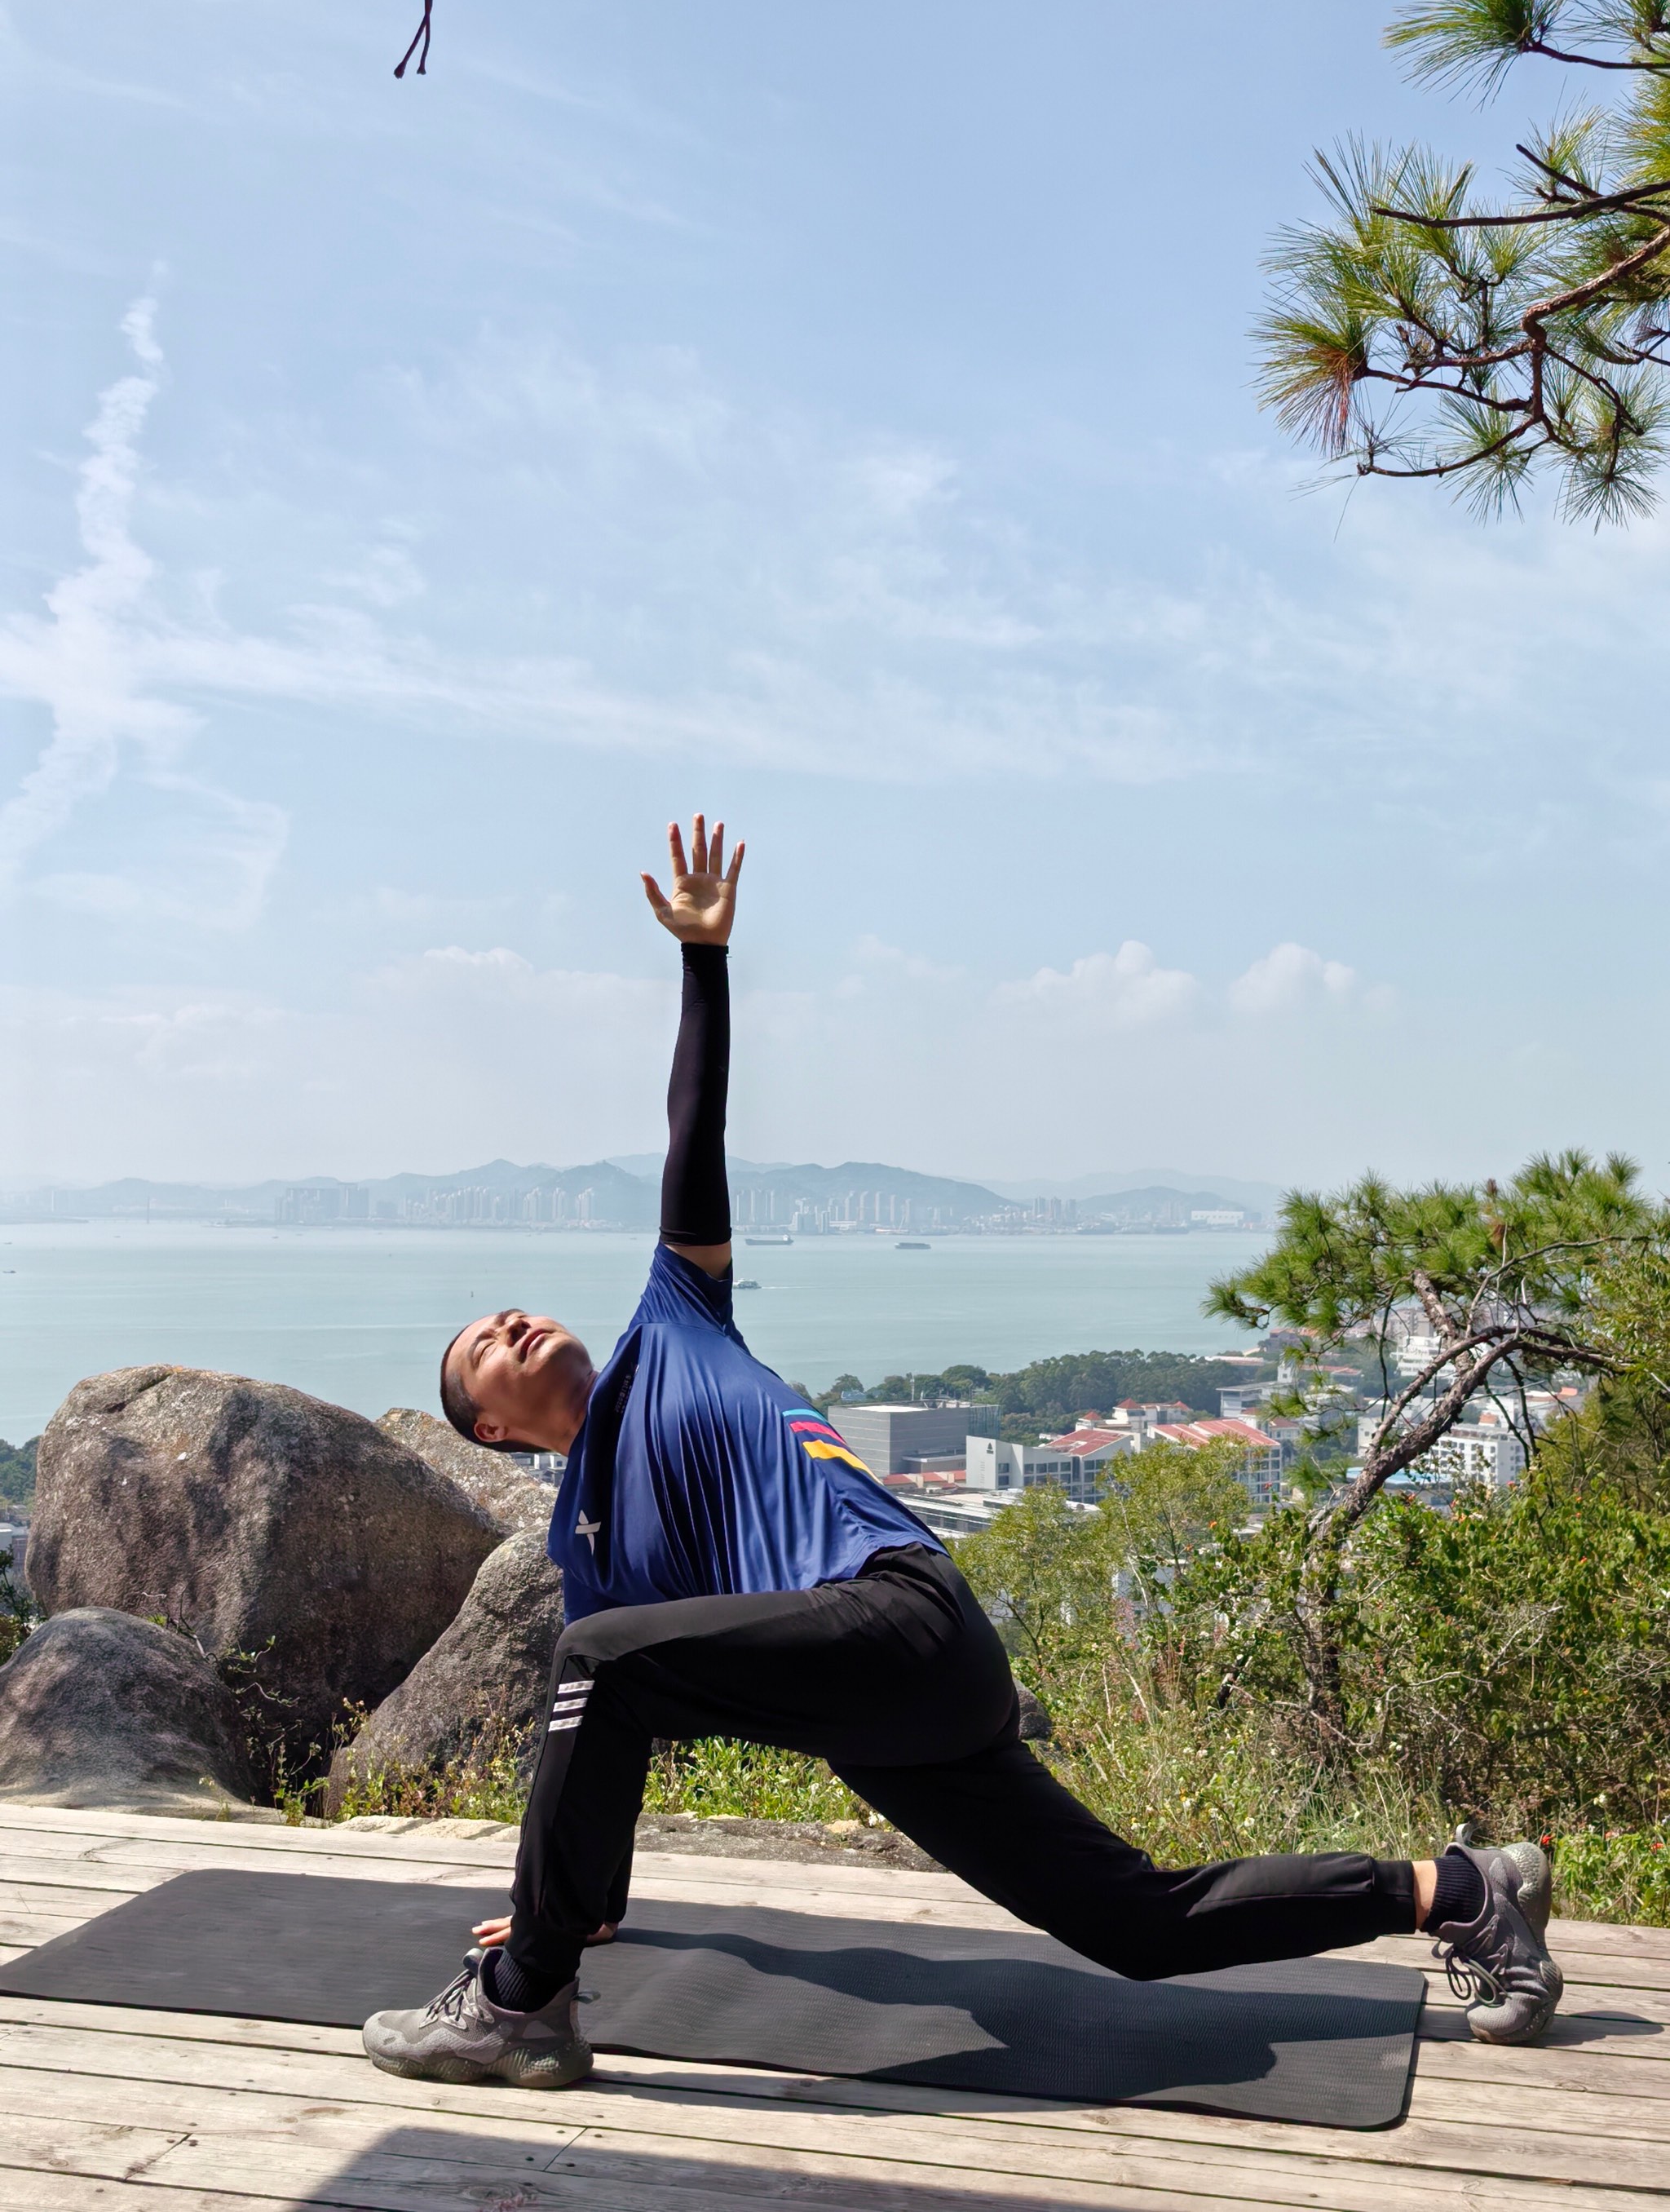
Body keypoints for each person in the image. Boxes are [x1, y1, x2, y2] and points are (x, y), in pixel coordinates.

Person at [363, 814, 1563, 2090]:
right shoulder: (585, 1550)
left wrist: (703, 961)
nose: (509, 1321)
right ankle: (1465, 1890)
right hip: (888, 1712)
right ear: (488, 1424)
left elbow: (690, 1136)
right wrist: (580, 1900)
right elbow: (613, 1730)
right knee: (1132, 1923)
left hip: (900, 1613)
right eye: (482, 1347)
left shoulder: (674, 1319)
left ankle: (518, 2007)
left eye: (508, 1312)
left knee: (593, 1655)